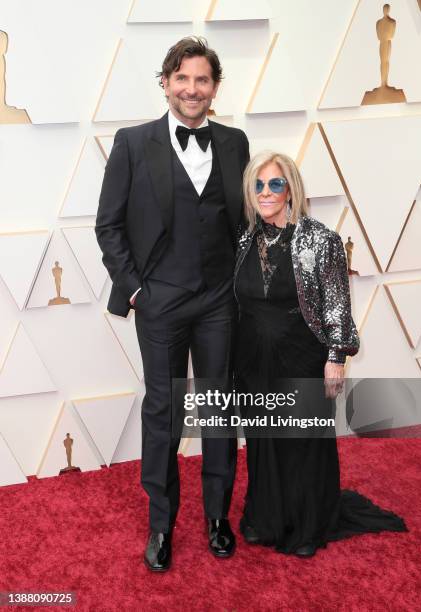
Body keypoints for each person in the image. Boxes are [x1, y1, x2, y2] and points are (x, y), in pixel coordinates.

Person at [95, 37, 249, 572]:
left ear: (215, 88)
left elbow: (245, 225)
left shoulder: (234, 142)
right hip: (159, 301)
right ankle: (161, 525)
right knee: (162, 412)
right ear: (165, 83)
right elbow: (108, 225)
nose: (191, 89)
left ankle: (216, 518)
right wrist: (136, 289)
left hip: (218, 303)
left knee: (219, 409)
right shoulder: (133, 143)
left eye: (202, 80)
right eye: (181, 79)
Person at [234, 151, 407, 558]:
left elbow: (335, 305)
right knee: (262, 441)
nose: (266, 192)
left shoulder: (319, 239)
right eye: (258, 185)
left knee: (302, 441)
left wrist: (336, 356)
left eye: (275, 183)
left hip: (301, 356)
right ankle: (267, 519)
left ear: (291, 187)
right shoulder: (245, 239)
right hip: (252, 360)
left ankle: (307, 525)